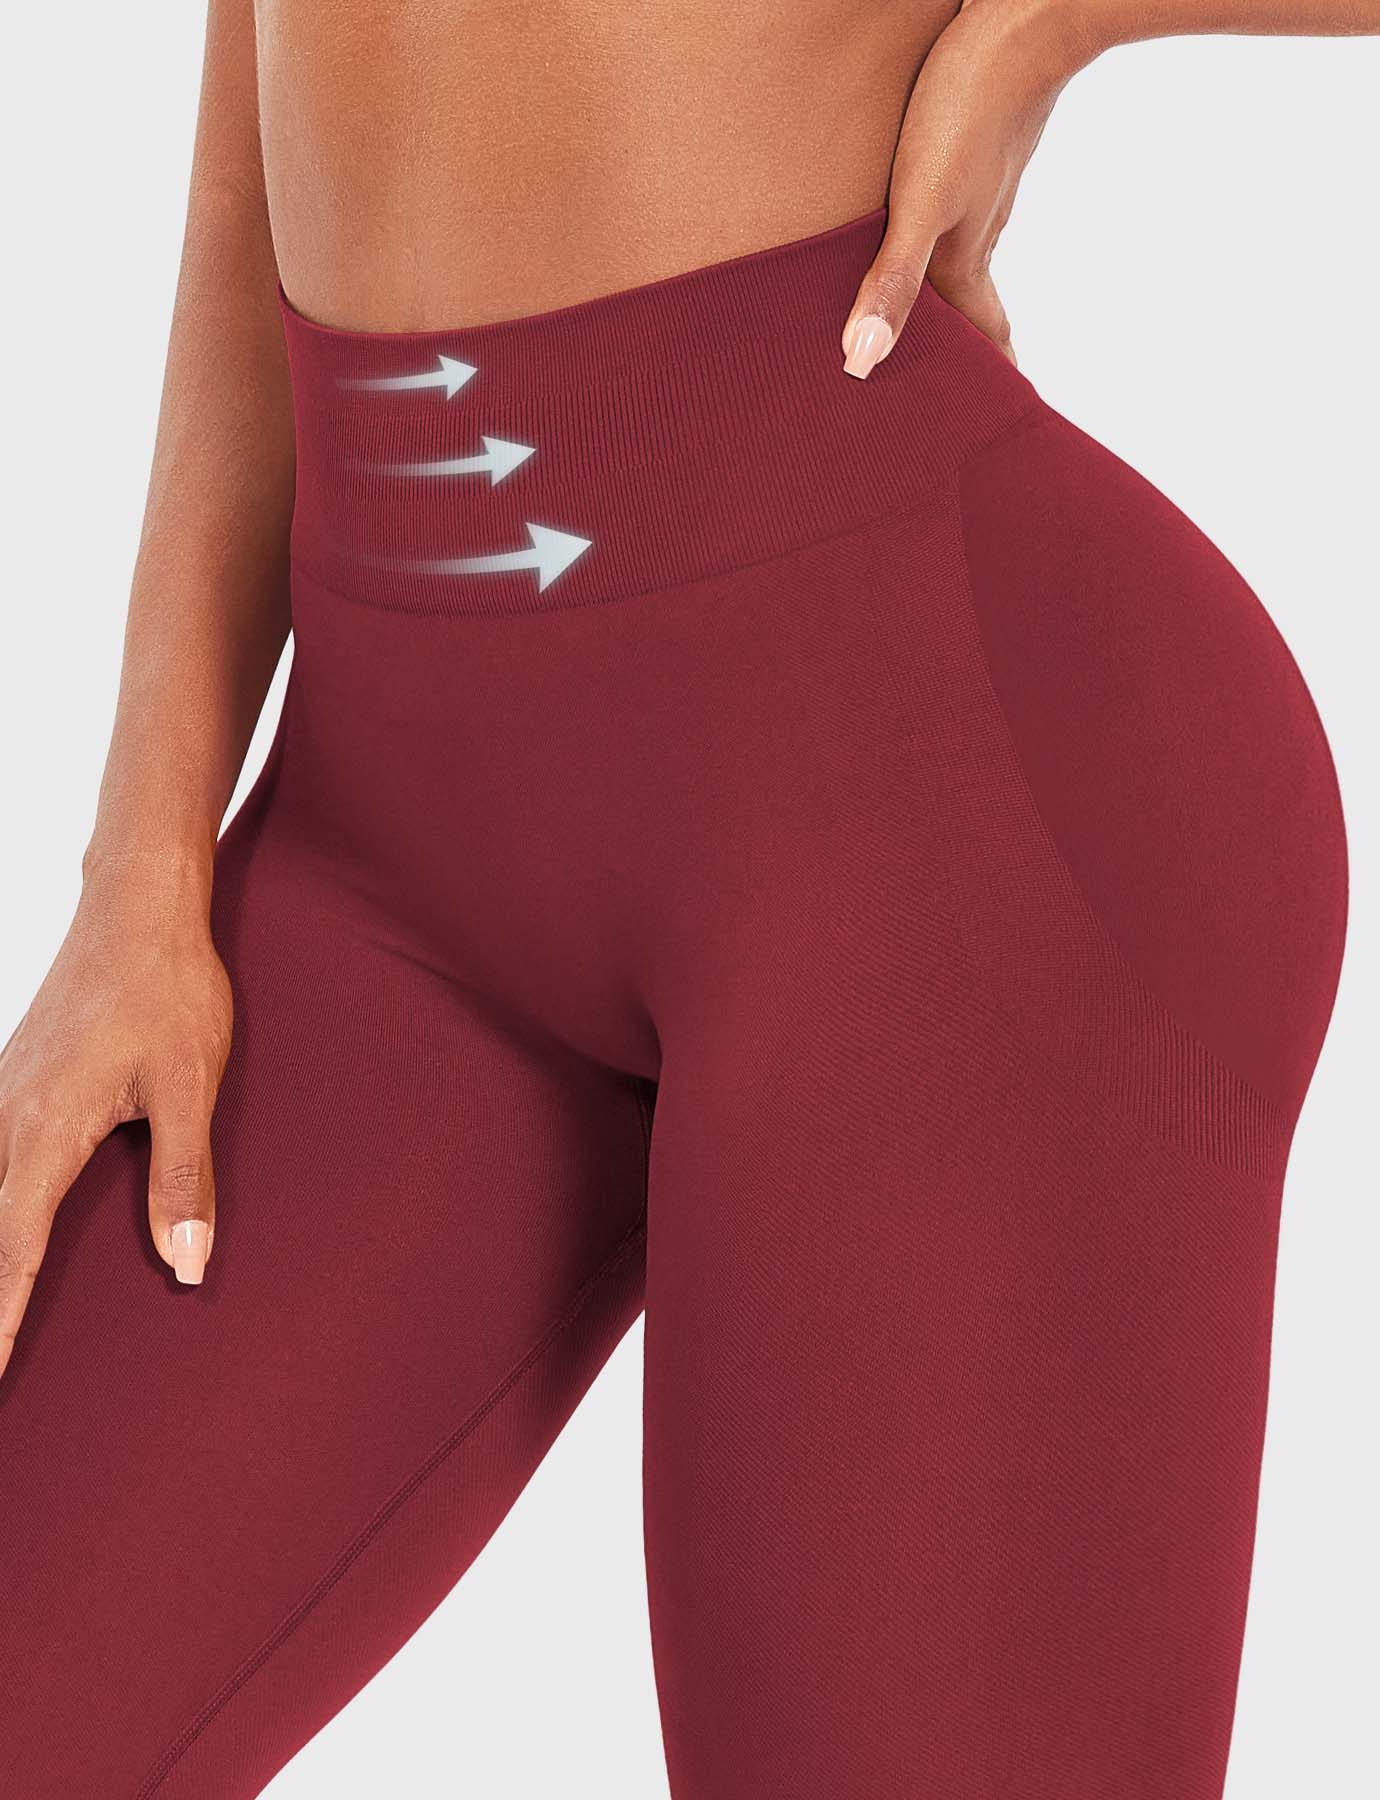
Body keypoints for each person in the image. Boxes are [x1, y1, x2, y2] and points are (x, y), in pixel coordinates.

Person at [0, 0, 1364, 1793]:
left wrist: (1061, 16)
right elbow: (258, 131)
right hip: (375, 850)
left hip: (932, 810)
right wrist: (142, 862)